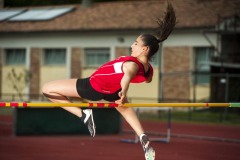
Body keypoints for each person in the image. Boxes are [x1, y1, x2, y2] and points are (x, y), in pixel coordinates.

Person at [42, 3, 176, 160]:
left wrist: (123, 93)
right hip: (110, 91)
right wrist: (121, 95)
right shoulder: (148, 69)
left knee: (47, 89)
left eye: (136, 43)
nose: (132, 45)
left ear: (144, 50)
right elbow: (146, 80)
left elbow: (127, 76)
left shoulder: (132, 64)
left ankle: (82, 113)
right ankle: (143, 138)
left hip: (93, 87)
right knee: (125, 109)